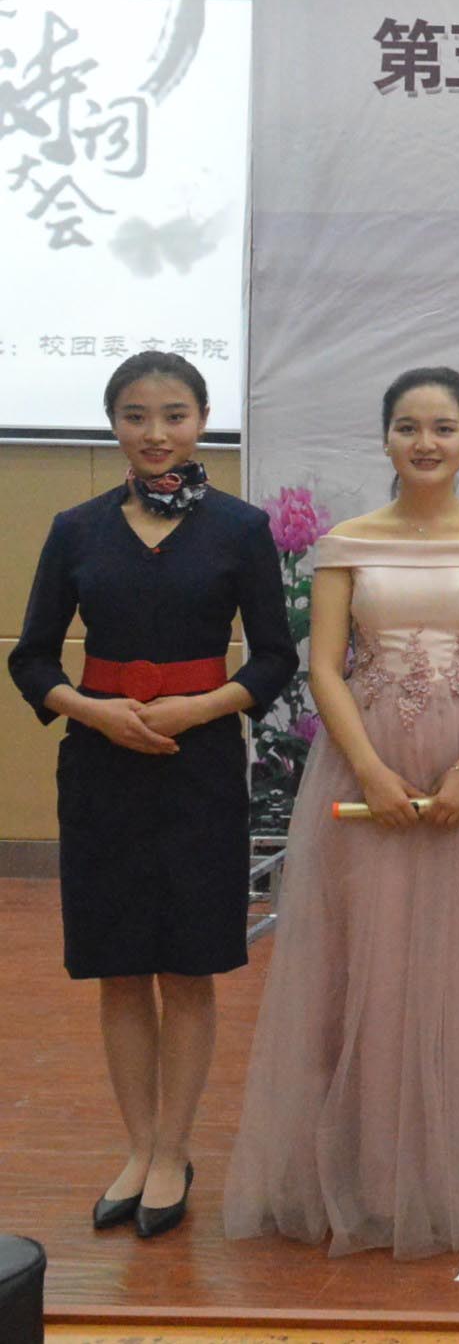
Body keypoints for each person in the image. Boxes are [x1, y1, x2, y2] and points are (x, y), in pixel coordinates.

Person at [226, 368, 459, 1258]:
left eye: (444, 427)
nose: (426, 442)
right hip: (363, 760)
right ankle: (369, 1174)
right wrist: (372, 772)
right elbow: (326, 667)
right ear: (385, 437)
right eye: (409, 426)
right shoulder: (347, 542)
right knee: (362, 963)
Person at [11, 352, 296, 1239]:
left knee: (187, 963)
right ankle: (137, 1147)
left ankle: (175, 1148)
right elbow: (31, 657)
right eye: (136, 416)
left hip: (198, 761)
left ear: (202, 420)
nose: (155, 432)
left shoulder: (240, 529)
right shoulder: (76, 528)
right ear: (114, 424)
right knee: (120, 963)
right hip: (102, 765)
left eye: (174, 414)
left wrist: (197, 708)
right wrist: (92, 711)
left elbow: (275, 658)